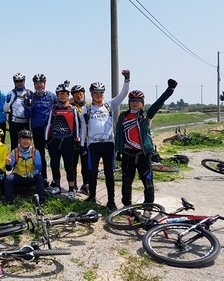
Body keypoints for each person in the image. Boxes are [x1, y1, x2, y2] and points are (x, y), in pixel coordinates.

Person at [115, 80, 177, 207]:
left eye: (138, 101)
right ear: (129, 102)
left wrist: (169, 90)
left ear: (142, 103)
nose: (135, 103)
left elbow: (158, 104)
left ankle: (148, 207)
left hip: (143, 155)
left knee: (147, 182)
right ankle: (127, 207)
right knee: (126, 183)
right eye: (132, 100)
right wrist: (118, 151)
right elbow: (119, 134)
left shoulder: (146, 116)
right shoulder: (123, 116)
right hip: (128, 155)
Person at [80, 69, 131, 210]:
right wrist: (82, 145)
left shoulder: (110, 105)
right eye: (96, 92)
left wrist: (127, 79)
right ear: (91, 94)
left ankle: (111, 201)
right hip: (93, 145)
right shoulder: (87, 109)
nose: (99, 95)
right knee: (92, 172)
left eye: (101, 92)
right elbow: (83, 128)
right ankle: (92, 197)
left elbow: (123, 94)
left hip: (109, 144)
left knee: (109, 173)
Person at [45, 84, 80, 200]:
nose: (63, 96)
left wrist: (77, 140)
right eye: (61, 94)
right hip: (54, 140)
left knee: (69, 166)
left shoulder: (73, 109)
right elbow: (49, 124)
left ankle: (71, 189)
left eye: (65, 94)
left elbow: (77, 125)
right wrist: (46, 139)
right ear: (57, 95)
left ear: (68, 95)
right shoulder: (53, 109)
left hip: (68, 140)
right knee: (54, 165)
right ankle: (58, 186)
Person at [24, 73, 57, 183]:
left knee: (53, 154)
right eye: (37, 83)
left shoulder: (52, 96)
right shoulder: (31, 97)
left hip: (50, 129)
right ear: (34, 84)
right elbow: (28, 115)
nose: (39, 85)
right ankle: (44, 178)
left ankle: (56, 179)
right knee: (40, 154)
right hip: (37, 128)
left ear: (45, 83)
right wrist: (28, 106)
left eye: (41, 83)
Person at [4, 129, 45, 205]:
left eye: (28, 139)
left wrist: (32, 174)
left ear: (31, 140)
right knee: (8, 179)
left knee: (39, 178)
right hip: (19, 177)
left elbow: (39, 168)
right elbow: (9, 169)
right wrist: (8, 163)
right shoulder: (15, 151)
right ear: (19, 140)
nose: (26, 141)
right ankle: (8, 201)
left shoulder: (35, 152)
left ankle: (41, 201)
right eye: (23, 138)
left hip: (31, 178)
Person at [70, 85, 90, 196]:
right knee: (73, 163)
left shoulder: (89, 106)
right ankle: (73, 185)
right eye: (76, 94)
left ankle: (85, 185)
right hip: (73, 139)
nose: (79, 96)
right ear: (73, 96)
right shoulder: (70, 106)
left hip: (86, 139)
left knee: (85, 163)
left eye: (81, 93)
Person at [3, 72, 30, 147]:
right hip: (14, 122)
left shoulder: (29, 93)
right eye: (17, 81)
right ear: (14, 82)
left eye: (21, 81)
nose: (19, 83)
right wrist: (8, 102)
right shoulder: (11, 93)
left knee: (26, 144)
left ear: (24, 81)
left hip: (26, 123)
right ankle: (14, 158)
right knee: (14, 145)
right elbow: (5, 109)